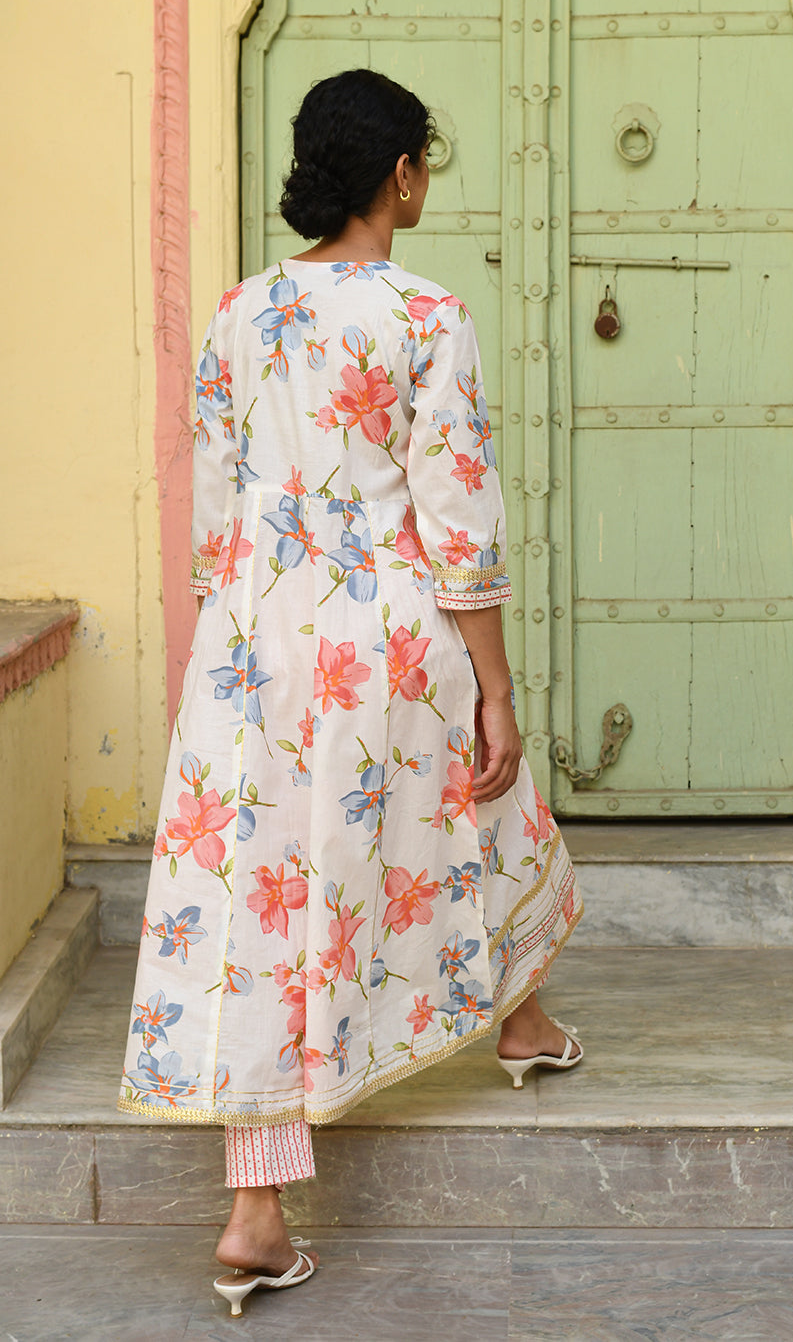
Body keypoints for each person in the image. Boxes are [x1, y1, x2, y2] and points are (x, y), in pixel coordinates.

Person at [118, 68, 583, 1314]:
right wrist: (496, 683)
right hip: (382, 625)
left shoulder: (238, 313)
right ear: (402, 176)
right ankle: (523, 1017)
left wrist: (226, 648)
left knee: (258, 900)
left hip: (253, 636)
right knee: (481, 783)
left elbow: (217, 508)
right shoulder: (426, 315)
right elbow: (457, 520)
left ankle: (257, 1210)